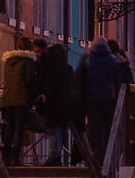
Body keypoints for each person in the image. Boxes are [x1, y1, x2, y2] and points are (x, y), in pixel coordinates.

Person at [77, 38, 122, 166]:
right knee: (107, 127)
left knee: (93, 126)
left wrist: (80, 97)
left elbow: (80, 78)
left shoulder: (86, 58)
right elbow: (117, 81)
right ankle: (106, 155)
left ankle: (95, 153)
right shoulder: (112, 60)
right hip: (108, 97)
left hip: (91, 98)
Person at [33, 40, 76, 166]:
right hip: (64, 105)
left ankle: (54, 155)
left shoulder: (48, 67)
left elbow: (47, 83)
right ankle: (57, 155)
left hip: (51, 103)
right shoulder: (68, 69)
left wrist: (42, 95)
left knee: (52, 127)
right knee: (59, 129)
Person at [0, 42, 37, 163]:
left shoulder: (8, 62)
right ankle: (15, 157)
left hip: (8, 99)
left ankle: (6, 157)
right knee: (19, 129)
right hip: (21, 99)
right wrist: (35, 96)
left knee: (9, 128)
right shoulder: (28, 61)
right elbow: (29, 80)